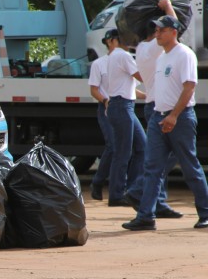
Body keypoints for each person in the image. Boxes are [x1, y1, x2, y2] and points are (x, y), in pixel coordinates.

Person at [122, 15, 208, 230]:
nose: (157, 34)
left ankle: (205, 213)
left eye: (161, 30)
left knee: (190, 167)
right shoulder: (162, 58)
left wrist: (174, 115)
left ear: (173, 32)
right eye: (156, 30)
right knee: (152, 168)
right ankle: (145, 217)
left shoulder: (184, 55)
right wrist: (162, 115)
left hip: (180, 118)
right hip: (159, 117)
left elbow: (189, 88)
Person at [125, 0, 182, 219]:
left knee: (160, 154)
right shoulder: (152, 49)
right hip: (159, 108)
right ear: (156, 32)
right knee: (167, 155)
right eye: (160, 29)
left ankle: (158, 201)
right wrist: (168, 7)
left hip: (153, 105)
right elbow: (173, 24)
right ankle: (139, 189)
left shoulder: (142, 49)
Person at [105, 32, 145, 207]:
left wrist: (151, 95)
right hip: (122, 106)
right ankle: (117, 195)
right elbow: (141, 77)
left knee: (140, 147)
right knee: (124, 152)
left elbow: (130, 86)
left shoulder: (114, 56)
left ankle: (130, 190)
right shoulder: (123, 55)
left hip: (123, 105)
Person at [88, 29, 116, 200]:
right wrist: (106, 101)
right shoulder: (100, 64)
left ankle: (122, 185)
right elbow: (94, 89)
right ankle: (97, 182)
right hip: (107, 108)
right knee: (113, 145)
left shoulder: (127, 60)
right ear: (110, 41)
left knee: (132, 147)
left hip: (124, 108)